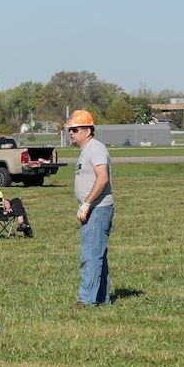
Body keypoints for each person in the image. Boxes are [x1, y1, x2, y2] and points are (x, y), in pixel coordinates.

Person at [68, 110, 114, 307]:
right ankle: (102, 298)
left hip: (97, 208)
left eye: (75, 129)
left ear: (88, 130)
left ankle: (86, 299)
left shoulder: (95, 149)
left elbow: (102, 178)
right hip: (92, 207)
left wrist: (87, 203)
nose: (71, 133)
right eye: (70, 129)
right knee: (98, 254)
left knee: (90, 255)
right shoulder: (86, 150)